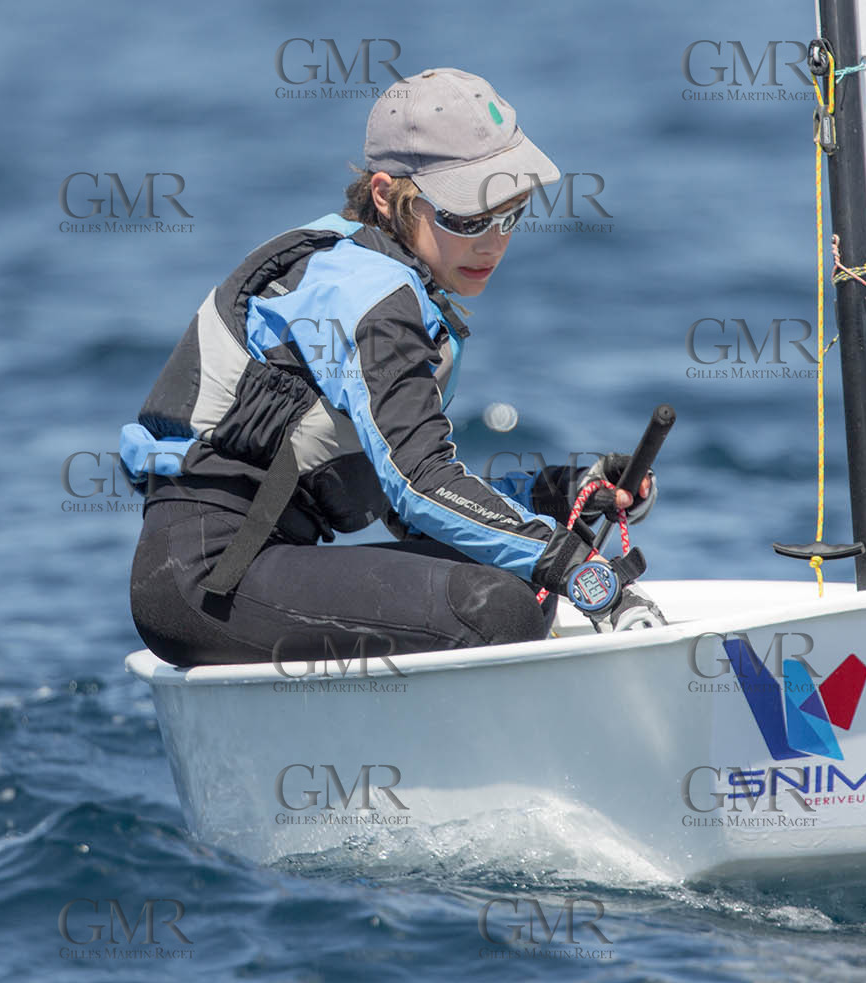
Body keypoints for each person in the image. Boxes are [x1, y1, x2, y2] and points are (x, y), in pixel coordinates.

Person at [121, 67, 659, 668]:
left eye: (511, 212)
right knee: (499, 606)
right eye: (467, 218)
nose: (493, 242)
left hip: (253, 563)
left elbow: (403, 498)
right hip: (204, 577)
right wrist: (566, 560)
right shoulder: (373, 297)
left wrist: (562, 493)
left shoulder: (372, 274)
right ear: (385, 195)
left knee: (516, 585)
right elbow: (421, 483)